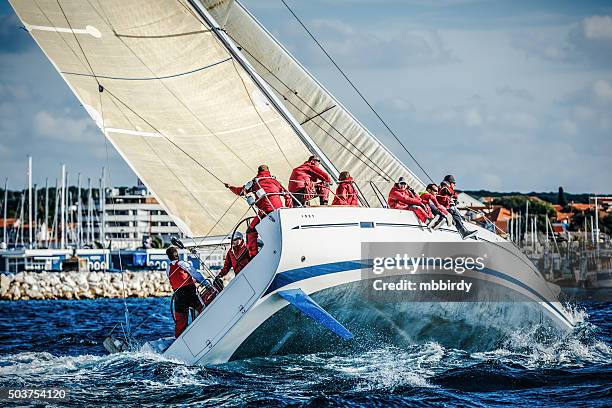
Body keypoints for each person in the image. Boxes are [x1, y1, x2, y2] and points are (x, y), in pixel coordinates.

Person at [225, 164, 292, 257]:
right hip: (279, 210)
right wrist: (289, 209)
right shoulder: (275, 181)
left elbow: (240, 191)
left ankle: (253, 255)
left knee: (250, 231)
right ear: (268, 171)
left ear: (258, 171)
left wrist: (230, 187)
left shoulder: (255, 182)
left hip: (265, 211)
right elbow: (287, 195)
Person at [165, 246, 206, 338]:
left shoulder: (168, 269)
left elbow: (176, 279)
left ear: (169, 257)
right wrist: (205, 283)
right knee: (202, 309)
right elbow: (195, 274)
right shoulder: (182, 263)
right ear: (177, 255)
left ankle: (179, 339)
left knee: (180, 319)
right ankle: (206, 328)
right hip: (189, 293)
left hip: (178, 296)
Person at [437, 175, 477, 239]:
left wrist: (453, 200)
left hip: (444, 207)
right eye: (454, 183)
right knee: (456, 215)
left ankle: (465, 232)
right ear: (450, 182)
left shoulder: (442, 187)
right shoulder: (445, 187)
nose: (454, 185)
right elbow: (451, 194)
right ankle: (464, 232)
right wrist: (453, 197)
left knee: (458, 216)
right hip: (444, 208)